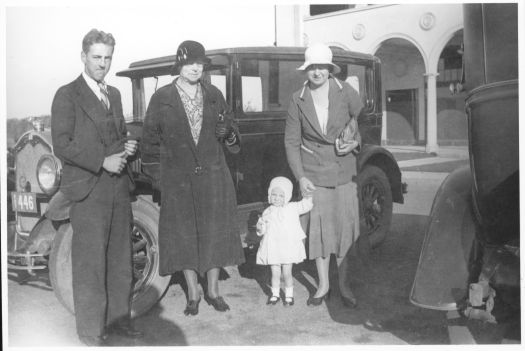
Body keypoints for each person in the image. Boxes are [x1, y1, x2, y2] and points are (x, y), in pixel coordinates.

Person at [51, 29, 142, 346]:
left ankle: (118, 321)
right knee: (90, 264)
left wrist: (126, 147)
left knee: (120, 260)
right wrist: (102, 160)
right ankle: (91, 332)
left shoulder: (114, 94)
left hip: (117, 188)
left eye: (107, 58)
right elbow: (62, 143)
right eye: (96, 57)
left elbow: (115, 134)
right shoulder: (67, 95)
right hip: (88, 189)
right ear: (83, 57)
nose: (102, 64)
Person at [141, 40, 245, 317]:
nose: (195, 68)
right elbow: (149, 144)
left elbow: (234, 138)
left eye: (199, 63)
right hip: (178, 181)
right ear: (179, 66)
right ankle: (193, 293)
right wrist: (160, 180)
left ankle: (213, 291)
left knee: (213, 234)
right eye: (189, 63)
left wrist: (229, 133)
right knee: (185, 237)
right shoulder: (162, 98)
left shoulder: (214, 94)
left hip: (213, 177)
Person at [284, 43, 363, 308]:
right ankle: (323, 285)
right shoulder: (297, 98)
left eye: (322, 67)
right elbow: (291, 142)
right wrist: (300, 177)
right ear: (306, 70)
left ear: (330, 69)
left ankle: (345, 285)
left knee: (344, 230)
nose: (317, 72)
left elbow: (359, 119)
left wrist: (356, 141)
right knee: (318, 232)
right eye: (312, 67)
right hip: (314, 174)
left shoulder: (346, 91)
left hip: (344, 173)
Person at [256, 176, 313, 306]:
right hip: (274, 248)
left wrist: (308, 195)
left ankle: (289, 296)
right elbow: (262, 227)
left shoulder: (292, 207)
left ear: (287, 196)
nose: (277, 198)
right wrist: (260, 227)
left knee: (287, 273)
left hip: (287, 248)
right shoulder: (268, 211)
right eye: (274, 195)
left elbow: (306, 205)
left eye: (281, 195)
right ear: (270, 195)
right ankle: (275, 295)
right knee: (275, 274)